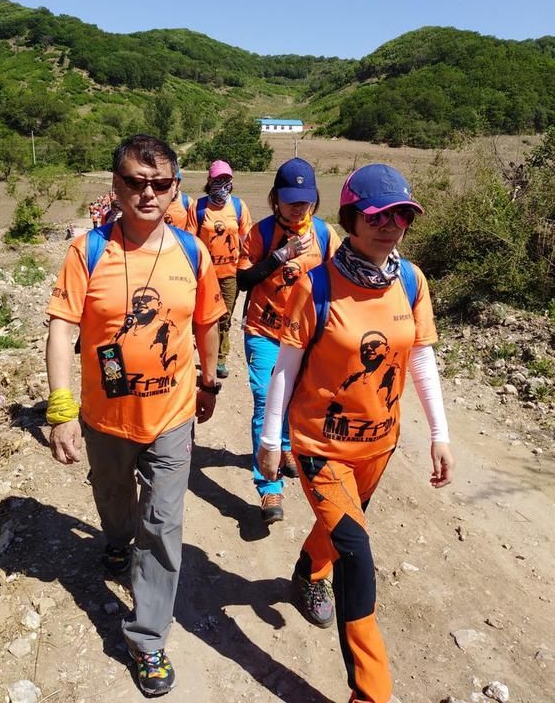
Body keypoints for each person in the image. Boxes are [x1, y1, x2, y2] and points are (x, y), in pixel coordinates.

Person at [258, 163, 455, 703]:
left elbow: (420, 358)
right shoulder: (316, 285)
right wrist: (270, 440)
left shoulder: (412, 281)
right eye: (377, 215)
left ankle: (306, 572)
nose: (390, 225)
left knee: (341, 530)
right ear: (350, 218)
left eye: (401, 215)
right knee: (358, 552)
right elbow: (285, 367)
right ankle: (371, 693)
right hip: (321, 445)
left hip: (379, 442)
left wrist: (440, 432)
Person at [45, 134, 226, 697]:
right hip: (105, 417)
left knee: (163, 526)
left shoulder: (192, 253)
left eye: (160, 184)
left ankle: (147, 638)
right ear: (116, 185)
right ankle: (116, 538)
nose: (147, 194)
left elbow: (208, 322)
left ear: (176, 189)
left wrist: (209, 380)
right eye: (134, 182)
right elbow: (63, 327)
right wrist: (60, 406)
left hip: (172, 417)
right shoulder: (88, 251)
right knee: (114, 499)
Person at [236, 158, 339, 526]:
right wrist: (281, 255)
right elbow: (244, 280)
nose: (299, 206)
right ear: (275, 198)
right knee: (266, 397)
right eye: (290, 199)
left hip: (306, 337)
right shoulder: (260, 233)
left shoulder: (325, 236)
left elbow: (342, 279)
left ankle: (282, 446)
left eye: (305, 199)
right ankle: (268, 485)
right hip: (264, 333)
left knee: (295, 399)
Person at [187, 160, 252, 379]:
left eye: (227, 180)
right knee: (200, 317)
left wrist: (244, 269)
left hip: (229, 274)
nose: (222, 184)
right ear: (209, 181)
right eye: (218, 180)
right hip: (204, 275)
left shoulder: (239, 207)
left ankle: (220, 359)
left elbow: (248, 240)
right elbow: (189, 241)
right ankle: (193, 353)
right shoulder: (198, 207)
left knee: (224, 317)